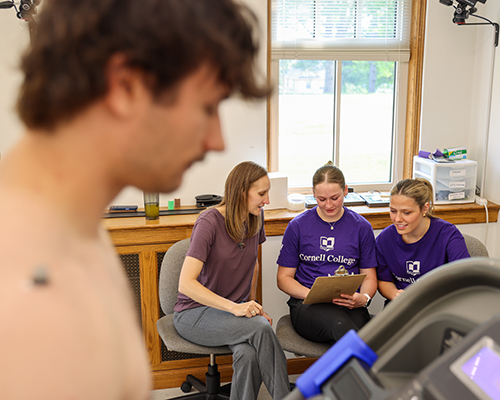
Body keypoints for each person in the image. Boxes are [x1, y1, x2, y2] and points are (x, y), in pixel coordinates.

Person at [0, 1, 269, 399]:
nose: (217, 140)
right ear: (126, 87)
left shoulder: (72, 230)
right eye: (205, 106)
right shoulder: (32, 286)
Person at [174, 161, 290, 400]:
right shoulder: (209, 222)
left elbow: (253, 263)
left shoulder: (256, 216)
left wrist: (252, 303)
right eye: (261, 194)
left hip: (232, 314)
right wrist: (236, 307)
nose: (267, 200)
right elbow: (186, 284)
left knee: (248, 355)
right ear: (241, 192)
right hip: (194, 313)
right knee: (261, 327)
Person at [277, 163, 377, 345]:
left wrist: (364, 298)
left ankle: (346, 373)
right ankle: (372, 372)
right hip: (308, 304)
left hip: (349, 305)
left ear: (346, 191)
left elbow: (369, 276)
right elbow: (283, 278)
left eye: (335, 198)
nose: (328, 205)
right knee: (345, 329)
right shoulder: (298, 226)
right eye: (322, 199)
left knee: (363, 335)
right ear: (313, 194)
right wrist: (312, 294)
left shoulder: (361, 227)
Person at [376, 178, 470, 302]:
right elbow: (384, 280)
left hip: (439, 304)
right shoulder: (385, 239)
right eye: (393, 211)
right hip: (402, 305)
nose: (397, 219)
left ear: (425, 208)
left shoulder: (448, 235)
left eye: (407, 212)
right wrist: (395, 294)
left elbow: (466, 278)